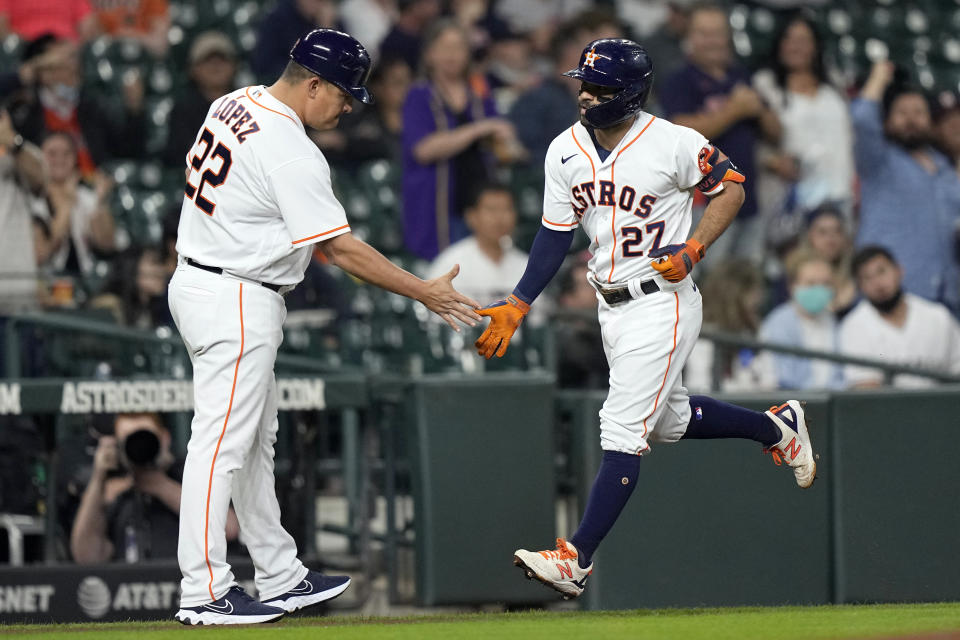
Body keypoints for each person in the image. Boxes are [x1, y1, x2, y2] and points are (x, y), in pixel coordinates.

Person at [473, 38, 815, 600]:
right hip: (611, 307)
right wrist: (518, 301)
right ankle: (778, 428)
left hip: (665, 298)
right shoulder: (563, 149)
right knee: (669, 420)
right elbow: (554, 235)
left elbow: (731, 187)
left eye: (598, 87)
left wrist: (696, 247)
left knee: (622, 426)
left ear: (629, 93)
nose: (584, 95)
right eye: (582, 84)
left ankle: (576, 559)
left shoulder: (674, 141)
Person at [167, 29, 480, 625]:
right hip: (235, 293)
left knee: (254, 444)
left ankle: (280, 574)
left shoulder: (230, 100)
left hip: (206, 279)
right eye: (343, 94)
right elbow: (342, 252)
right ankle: (203, 589)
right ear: (313, 84)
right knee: (221, 445)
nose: (347, 106)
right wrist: (424, 292)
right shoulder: (290, 148)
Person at [660, 3, 781, 265]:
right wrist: (735, 110)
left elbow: (775, 133)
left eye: (718, 33)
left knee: (747, 284)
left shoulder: (741, 75)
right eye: (704, 34)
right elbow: (681, 131)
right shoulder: (678, 80)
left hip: (749, 201)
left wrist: (758, 109)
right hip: (705, 204)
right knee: (709, 285)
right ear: (690, 38)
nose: (712, 41)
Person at [401, 19, 522, 260]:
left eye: (458, 48)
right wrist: (480, 129)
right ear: (429, 54)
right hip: (437, 203)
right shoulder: (419, 94)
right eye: (444, 48)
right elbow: (424, 150)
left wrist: (506, 138)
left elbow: (503, 139)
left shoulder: (478, 93)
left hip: (478, 201)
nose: (452, 55)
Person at [852, 61, 960, 313]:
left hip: (946, 295)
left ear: (931, 122)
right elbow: (861, 119)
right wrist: (879, 78)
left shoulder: (945, 168)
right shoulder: (878, 161)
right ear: (887, 122)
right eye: (902, 113)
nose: (911, 119)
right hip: (894, 293)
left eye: (919, 112)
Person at [70, 413, 240, 564]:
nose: (140, 447)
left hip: (195, 592)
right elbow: (87, 556)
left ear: (165, 438)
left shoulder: (191, 473)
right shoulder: (115, 493)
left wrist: (161, 486)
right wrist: (98, 476)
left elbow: (229, 528)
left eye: (146, 438)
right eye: (130, 441)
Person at [752, 14, 854, 218]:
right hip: (793, 197)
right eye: (788, 39)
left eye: (803, 41)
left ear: (816, 47)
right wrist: (772, 162)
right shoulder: (765, 84)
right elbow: (752, 141)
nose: (795, 47)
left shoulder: (834, 84)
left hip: (840, 190)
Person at [8, 35, 146, 178]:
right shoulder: (25, 115)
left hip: (94, 189)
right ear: (44, 73)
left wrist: (134, 109)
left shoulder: (92, 107)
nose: (73, 68)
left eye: (74, 60)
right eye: (62, 64)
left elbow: (129, 152)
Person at [839, 246, 960, 389]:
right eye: (867, 278)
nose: (877, 283)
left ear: (899, 270)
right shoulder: (854, 325)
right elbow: (865, 391)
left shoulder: (938, 316)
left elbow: (956, 369)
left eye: (881, 271)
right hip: (888, 409)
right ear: (860, 287)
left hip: (941, 406)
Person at [425, 182, 529, 305]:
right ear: (471, 216)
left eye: (506, 209)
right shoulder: (450, 263)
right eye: (491, 210)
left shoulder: (526, 266)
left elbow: (538, 317)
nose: (499, 218)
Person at [683, 259, 773, 393]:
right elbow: (699, 385)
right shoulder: (701, 333)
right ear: (732, 298)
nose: (757, 302)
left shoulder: (753, 331)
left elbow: (769, 381)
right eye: (751, 298)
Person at [36, 132, 116, 281]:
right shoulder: (32, 199)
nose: (59, 160)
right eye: (52, 154)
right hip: (45, 281)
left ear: (74, 159)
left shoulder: (86, 197)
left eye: (66, 154)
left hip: (85, 281)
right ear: (40, 157)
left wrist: (101, 201)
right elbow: (42, 254)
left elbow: (106, 244)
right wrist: (67, 202)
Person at [758, 250, 843, 390]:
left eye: (825, 283)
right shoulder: (778, 323)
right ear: (792, 286)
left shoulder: (831, 320)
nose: (819, 289)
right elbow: (778, 379)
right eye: (811, 283)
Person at [162, 31, 238, 168]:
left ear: (234, 66)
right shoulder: (183, 110)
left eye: (222, 59)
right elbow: (177, 158)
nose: (216, 66)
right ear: (193, 69)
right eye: (207, 60)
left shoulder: (248, 105)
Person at [250, 0, 340, 83]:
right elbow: (265, 65)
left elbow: (342, 66)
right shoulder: (277, 20)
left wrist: (326, 29)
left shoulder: (331, 21)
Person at [91, 0, 170, 58]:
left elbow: (160, 46)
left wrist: (126, 35)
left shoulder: (153, 2)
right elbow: (92, 44)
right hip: (109, 61)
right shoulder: (101, 5)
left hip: (145, 61)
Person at [379, 0, 442, 72]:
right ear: (415, 6)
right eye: (429, 2)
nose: (436, 8)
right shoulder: (392, 43)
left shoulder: (425, 33)